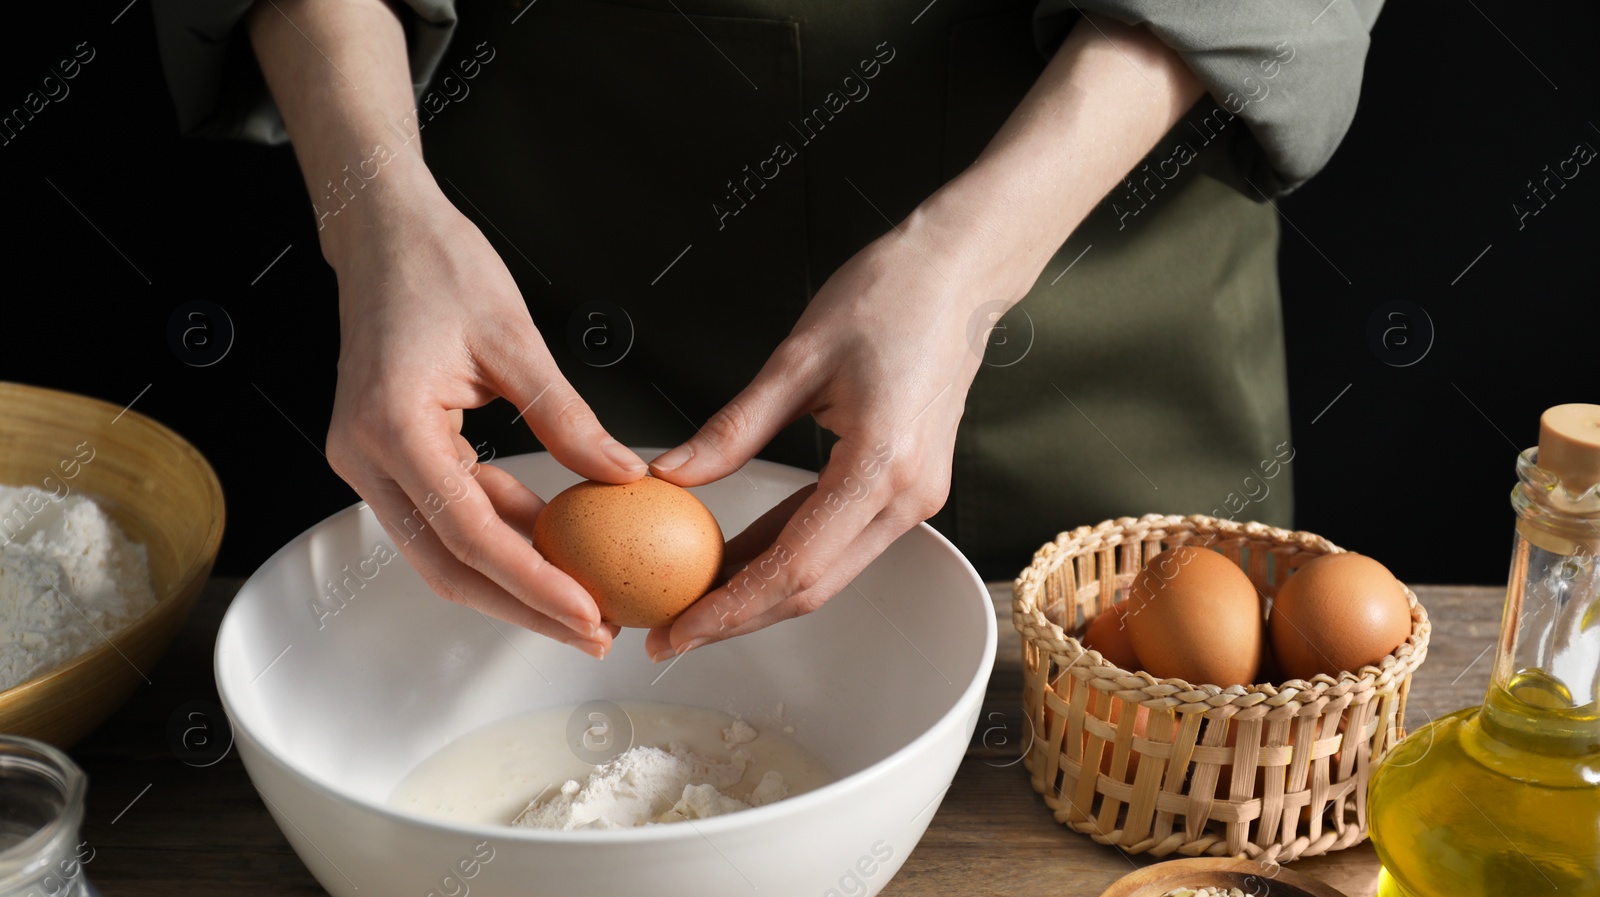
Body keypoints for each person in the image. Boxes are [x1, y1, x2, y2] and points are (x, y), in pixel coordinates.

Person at [153, 0, 1381, 662]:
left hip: (1088, 264)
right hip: (554, 241)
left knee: (1134, 718)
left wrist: (964, 270)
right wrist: (373, 218)